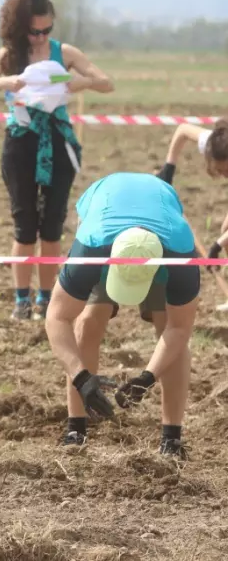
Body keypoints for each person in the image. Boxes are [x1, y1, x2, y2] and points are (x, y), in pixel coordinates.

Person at [0, 0, 114, 321]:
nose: (41, 38)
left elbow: (106, 82)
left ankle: (46, 300)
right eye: (34, 32)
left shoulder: (65, 53)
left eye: (46, 30)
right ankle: (21, 300)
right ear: (21, 28)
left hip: (58, 142)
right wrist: (0, 83)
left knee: (52, 224)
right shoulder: (7, 57)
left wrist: (82, 82)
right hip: (21, 143)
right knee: (24, 224)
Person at [44, 172, 198, 459]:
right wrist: (81, 378)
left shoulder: (181, 256)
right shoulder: (91, 246)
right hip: (107, 212)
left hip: (161, 226)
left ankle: (171, 438)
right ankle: (76, 429)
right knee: (88, 322)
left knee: (167, 324)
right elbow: (56, 317)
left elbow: (179, 329)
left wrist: (147, 377)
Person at [158, 120, 228, 260]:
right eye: (220, 170)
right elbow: (183, 130)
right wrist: (168, 168)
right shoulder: (216, 144)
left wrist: (217, 245)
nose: (225, 175)